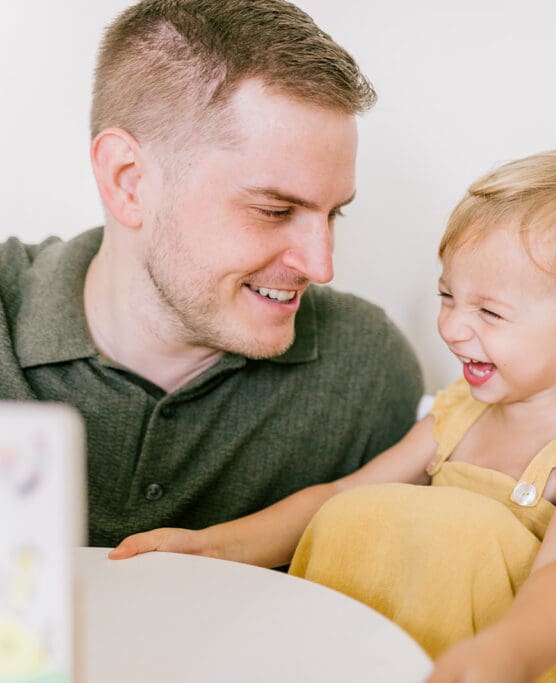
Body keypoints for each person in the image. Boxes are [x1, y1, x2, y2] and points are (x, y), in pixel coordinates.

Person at [112, 150, 556, 682]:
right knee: (360, 510)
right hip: (410, 657)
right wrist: (209, 547)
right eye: (447, 296)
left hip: (525, 666)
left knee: (463, 529)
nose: (454, 328)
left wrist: (505, 652)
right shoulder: (460, 415)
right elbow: (333, 499)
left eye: (489, 311)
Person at [0, 0, 423, 548]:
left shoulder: (367, 371)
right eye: (274, 210)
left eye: (333, 213)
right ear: (129, 181)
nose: (321, 266)